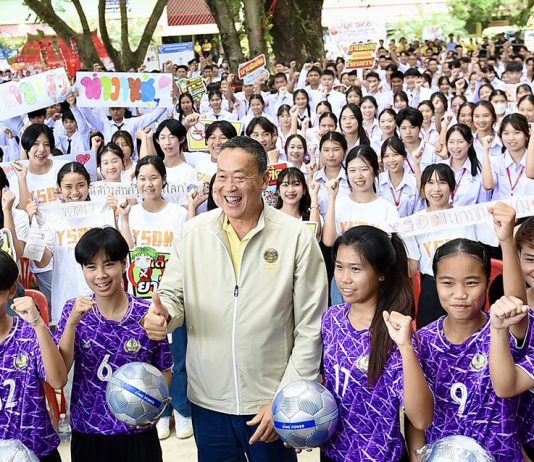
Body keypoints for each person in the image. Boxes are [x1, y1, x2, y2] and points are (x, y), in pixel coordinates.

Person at [142, 136, 328, 461]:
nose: (229, 186)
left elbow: (311, 327)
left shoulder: (296, 236)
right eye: (222, 176)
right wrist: (163, 315)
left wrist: (287, 398)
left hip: (269, 403)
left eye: (240, 177)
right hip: (208, 401)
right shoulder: (193, 233)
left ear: (264, 180)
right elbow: (172, 294)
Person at [412, 203, 528, 460]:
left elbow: (517, 307)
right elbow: (416, 418)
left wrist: (506, 241)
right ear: (435, 282)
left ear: (488, 282)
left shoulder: (501, 329)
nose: (460, 294)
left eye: (472, 283)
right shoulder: (424, 340)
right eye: (448, 283)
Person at [55, 227, 173, 462]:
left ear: (124, 264)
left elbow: (164, 370)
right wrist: (71, 324)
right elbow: (60, 372)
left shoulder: (146, 313)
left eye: (109, 264)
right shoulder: (73, 311)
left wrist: (153, 407)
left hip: (138, 432)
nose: (100, 275)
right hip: (89, 430)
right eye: (91, 267)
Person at [321, 226, 433, 461]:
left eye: (356, 269)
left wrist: (406, 347)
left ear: (381, 273)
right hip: (332, 454)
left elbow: (421, 419)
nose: (345, 278)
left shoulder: (396, 333)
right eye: (339, 267)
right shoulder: (331, 319)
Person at [118, 155, 191, 440]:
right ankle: (160, 411)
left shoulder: (178, 213)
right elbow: (126, 253)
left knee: (178, 357)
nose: (148, 184)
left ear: (164, 180)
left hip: (172, 297)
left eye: (153, 178)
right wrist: (124, 218)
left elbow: (184, 254)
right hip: (140, 299)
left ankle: (182, 409)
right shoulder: (131, 213)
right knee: (149, 357)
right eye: (142, 179)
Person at [0, 250, 67, 461]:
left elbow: (58, 380)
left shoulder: (29, 333)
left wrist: (38, 324)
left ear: (11, 291)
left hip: (39, 450)